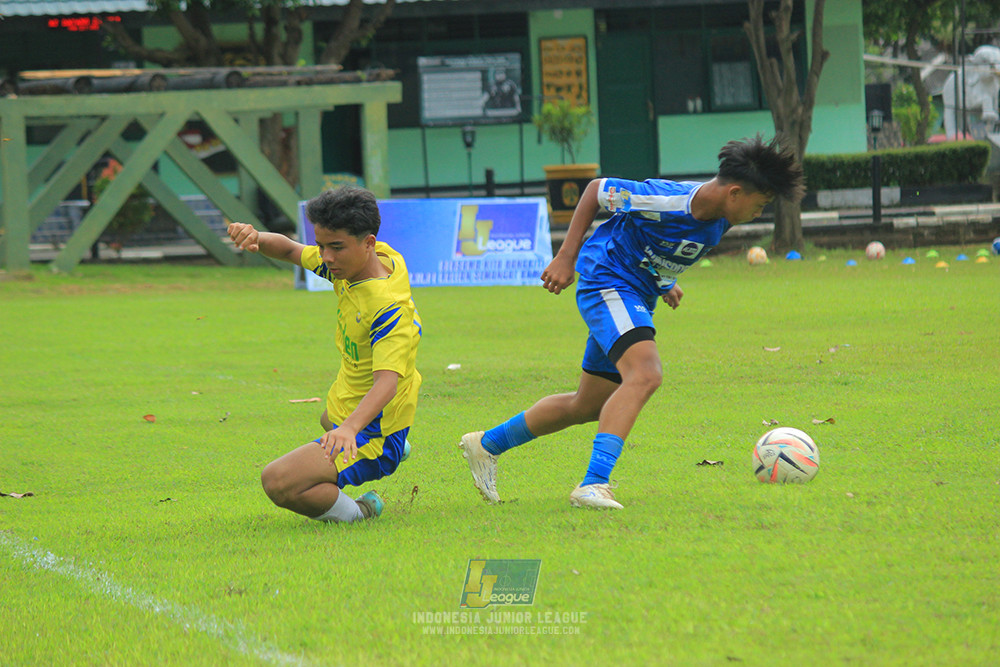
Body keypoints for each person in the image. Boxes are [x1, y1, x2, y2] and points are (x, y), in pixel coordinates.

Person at [460, 134, 805, 509]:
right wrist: (565, 257)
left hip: (635, 292)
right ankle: (593, 484)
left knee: (587, 405)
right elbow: (594, 191)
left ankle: (486, 444)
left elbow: (651, 241)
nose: (760, 213)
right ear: (735, 193)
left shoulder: (720, 217)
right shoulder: (665, 199)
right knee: (646, 373)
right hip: (606, 279)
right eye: (761, 204)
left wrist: (664, 281)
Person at [228, 185, 422, 523]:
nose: (326, 257)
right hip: (351, 406)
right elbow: (290, 250)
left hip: (373, 430)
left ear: (368, 243)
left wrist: (348, 429)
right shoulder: (369, 261)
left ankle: (362, 509)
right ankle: (390, 443)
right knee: (327, 419)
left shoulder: (387, 308)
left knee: (278, 482)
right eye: (321, 246)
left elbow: (387, 383)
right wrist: (256, 236)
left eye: (335, 247)